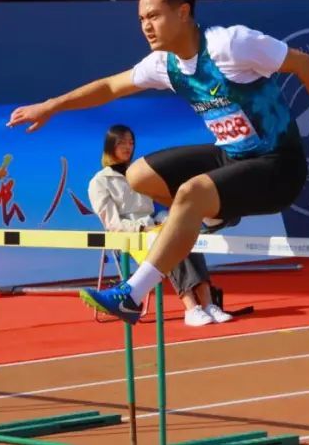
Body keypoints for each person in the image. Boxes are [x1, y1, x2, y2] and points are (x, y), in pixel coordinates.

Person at [7, 0, 309, 325]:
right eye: (142, 19)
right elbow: (109, 87)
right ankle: (217, 212)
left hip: (279, 165)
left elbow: (304, 63)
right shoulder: (163, 64)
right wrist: (51, 106)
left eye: (154, 16)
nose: (146, 26)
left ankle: (132, 294)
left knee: (190, 193)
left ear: (183, 12)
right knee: (137, 175)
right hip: (232, 158)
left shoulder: (231, 44)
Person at [88, 124, 232, 327]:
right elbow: (113, 224)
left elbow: (156, 209)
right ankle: (191, 308)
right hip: (131, 237)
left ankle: (208, 304)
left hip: (155, 227)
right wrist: (143, 227)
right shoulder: (99, 182)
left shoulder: (138, 173)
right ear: (110, 146)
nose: (128, 147)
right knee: (168, 241)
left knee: (183, 232)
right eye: (121, 143)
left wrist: (169, 219)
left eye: (131, 142)